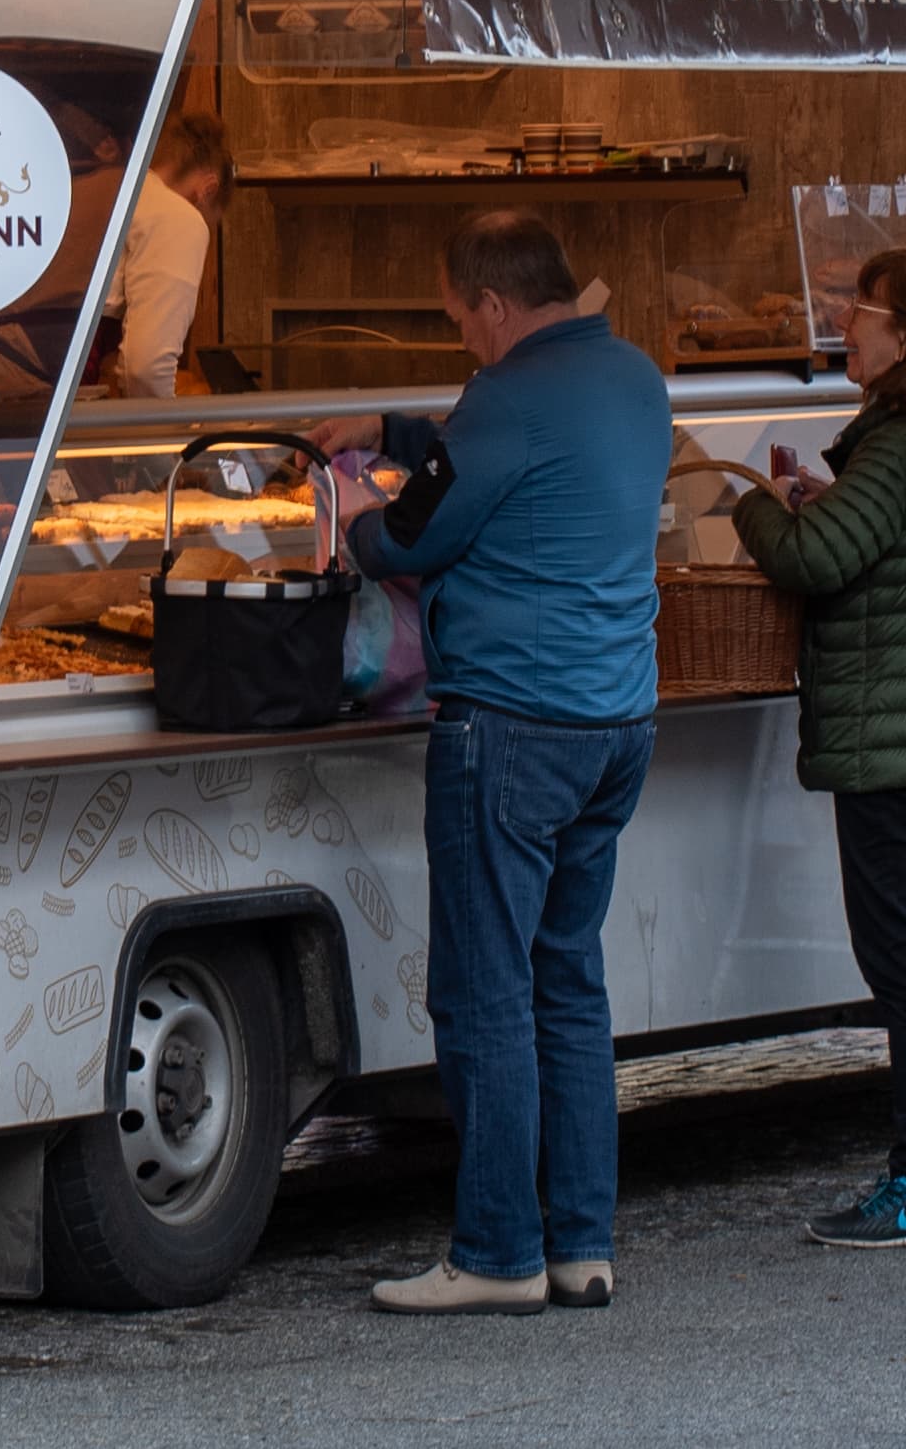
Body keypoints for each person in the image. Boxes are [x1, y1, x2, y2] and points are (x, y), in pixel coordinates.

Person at [313, 213, 670, 1317]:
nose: (463, 334)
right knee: (567, 983)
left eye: (460, 316)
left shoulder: (506, 396)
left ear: (496, 306)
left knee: (482, 994)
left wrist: (354, 504)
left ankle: (497, 1254)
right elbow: (506, 459)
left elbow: (410, 540)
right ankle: (580, 1246)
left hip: (511, 721)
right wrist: (401, 426)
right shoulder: (636, 379)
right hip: (616, 720)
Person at [732, 247, 906, 1250]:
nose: (846, 321)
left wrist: (756, 505)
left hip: (894, 745)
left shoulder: (896, 447)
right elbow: (877, 547)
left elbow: (816, 558)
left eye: (866, 310)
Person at [103, 109, 232, 400]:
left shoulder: (112, 189)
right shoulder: (175, 214)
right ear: (207, 190)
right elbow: (145, 369)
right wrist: (165, 433)